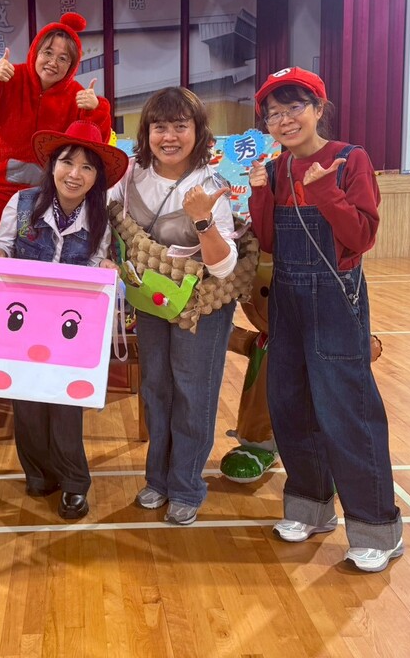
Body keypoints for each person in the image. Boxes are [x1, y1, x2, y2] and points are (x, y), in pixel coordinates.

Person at [247, 66, 403, 573]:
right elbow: (269, 240)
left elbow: (361, 237)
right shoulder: (275, 169)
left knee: (347, 410)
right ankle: (311, 508)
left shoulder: (349, 159)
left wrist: (326, 192)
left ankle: (377, 528)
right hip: (287, 299)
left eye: (295, 107)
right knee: (289, 403)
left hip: (337, 298)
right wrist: (258, 191)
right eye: (274, 113)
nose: (284, 120)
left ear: (318, 109)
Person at [108, 87, 239, 526]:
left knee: (192, 391)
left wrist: (202, 219)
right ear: (146, 133)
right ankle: (158, 480)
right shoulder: (131, 177)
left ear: (198, 132)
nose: (169, 136)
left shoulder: (210, 185)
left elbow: (223, 267)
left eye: (180, 126)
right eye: (159, 126)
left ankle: (186, 485)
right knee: (156, 388)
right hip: (151, 300)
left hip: (199, 307)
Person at [0, 120, 127, 521]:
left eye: (87, 167)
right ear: (52, 166)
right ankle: (39, 475)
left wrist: (105, 267)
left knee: (66, 406)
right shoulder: (23, 204)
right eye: (67, 162)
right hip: (23, 323)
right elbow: (2, 244)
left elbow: (98, 259)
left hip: (70, 329)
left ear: (96, 178)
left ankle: (74, 483)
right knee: (27, 403)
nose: (74, 174)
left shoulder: (100, 217)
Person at [0, 11, 112, 228]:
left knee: (38, 247)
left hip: (49, 194)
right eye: (48, 52)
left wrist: (96, 110)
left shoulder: (77, 96)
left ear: (72, 65)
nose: (53, 62)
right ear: (36, 51)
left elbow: (96, 146)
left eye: (63, 58)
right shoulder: (10, 78)